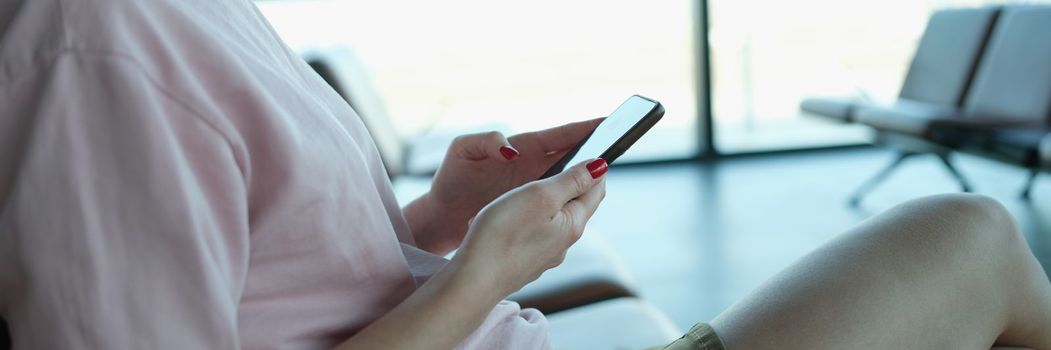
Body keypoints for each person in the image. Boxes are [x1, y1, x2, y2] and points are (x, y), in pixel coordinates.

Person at [0, 0, 1048, 349]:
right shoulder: (96, 48)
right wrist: (479, 279)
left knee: (966, 235)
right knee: (974, 236)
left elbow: (270, 285)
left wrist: (444, 214)